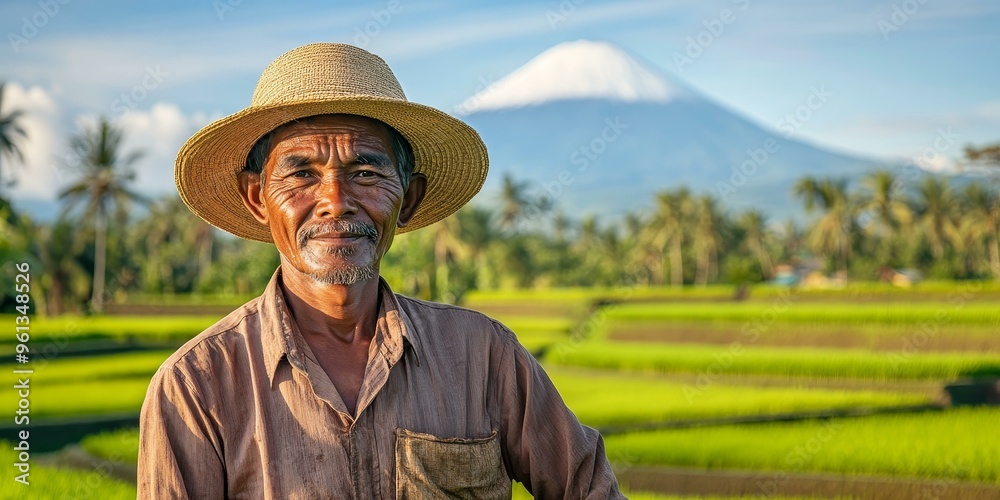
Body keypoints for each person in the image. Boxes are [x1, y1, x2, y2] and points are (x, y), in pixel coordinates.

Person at [138, 43, 625, 499]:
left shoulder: (483, 355)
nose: (335, 202)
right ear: (256, 199)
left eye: (366, 173)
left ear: (408, 199)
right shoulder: (194, 387)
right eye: (302, 173)